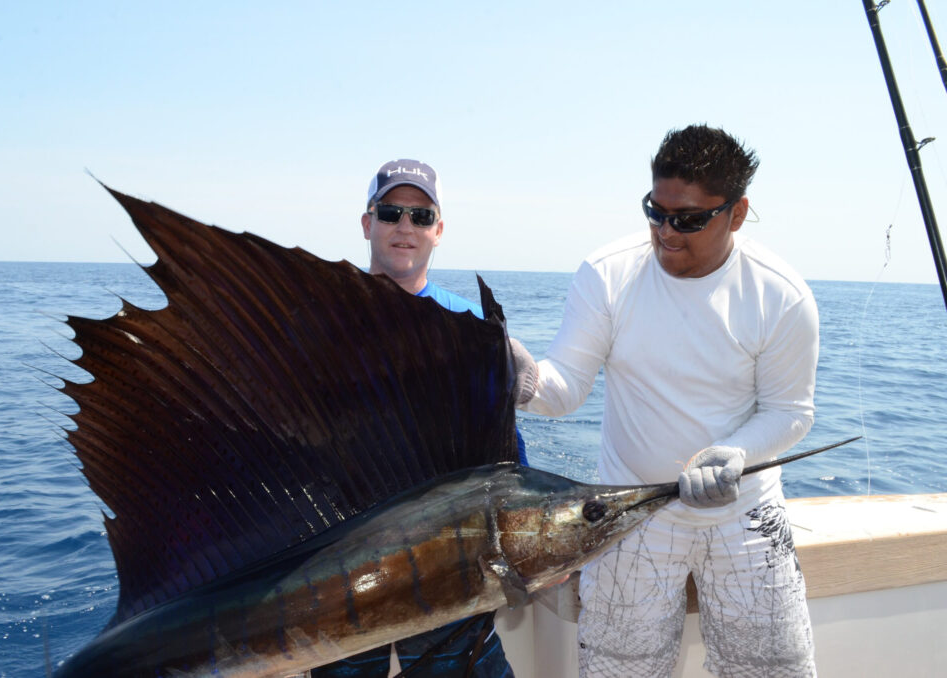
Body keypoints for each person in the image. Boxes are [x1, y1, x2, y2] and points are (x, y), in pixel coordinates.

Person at [512, 126, 820, 678]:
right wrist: (523, 380)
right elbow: (564, 387)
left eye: (689, 219)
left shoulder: (781, 294)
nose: (666, 232)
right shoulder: (607, 273)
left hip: (745, 513)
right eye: (655, 211)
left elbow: (791, 412)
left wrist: (734, 453)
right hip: (632, 515)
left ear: (738, 213)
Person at [310, 158, 518, 678]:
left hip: (450, 563)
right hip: (340, 568)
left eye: (420, 216)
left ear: (438, 231)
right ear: (367, 223)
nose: (405, 227)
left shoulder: (468, 326)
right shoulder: (318, 323)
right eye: (391, 212)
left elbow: (502, 450)